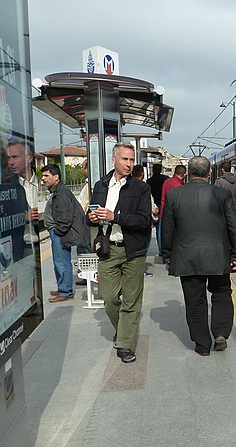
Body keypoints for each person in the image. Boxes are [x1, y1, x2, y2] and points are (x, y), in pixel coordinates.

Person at [160, 156, 236, 356]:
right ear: (210, 173)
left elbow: (168, 229)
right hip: (218, 256)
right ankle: (221, 333)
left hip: (187, 257)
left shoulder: (174, 195)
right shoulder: (222, 195)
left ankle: (202, 345)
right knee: (222, 293)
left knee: (194, 301)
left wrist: (167, 254)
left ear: (188, 173)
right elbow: (234, 226)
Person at [87, 142, 152, 364]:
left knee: (131, 301)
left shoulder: (141, 188)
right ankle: (122, 329)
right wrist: (92, 217)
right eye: (125, 159)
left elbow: (144, 221)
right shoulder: (100, 185)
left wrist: (115, 217)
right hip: (107, 249)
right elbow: (91, 212)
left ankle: (125, 343)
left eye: (132, 160)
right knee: (109, 297)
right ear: (113, 160)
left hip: (133, 250)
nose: (129, 164)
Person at [41, 164, 87, 302]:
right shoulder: (58, 191)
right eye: (42, 176)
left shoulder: (61, 193)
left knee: (62, 262)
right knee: (59, 262)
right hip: (58, 232)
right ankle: (62, 287)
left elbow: (65, 217)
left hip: (60, 233)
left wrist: (57, 231)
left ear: (56, 177)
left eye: (46, 176)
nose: (43, 179)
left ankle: (66, 291)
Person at [4, 139, 40, 246]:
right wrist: (23, 218)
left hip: (41, 243)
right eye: (8, 158)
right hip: (19, 244)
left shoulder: (44, 182)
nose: (11, 162)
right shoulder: (6, 185)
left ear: (29, 158)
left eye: (15, 157)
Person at [131, 164, 156, 278]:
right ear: (142, 174)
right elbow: (149, 205)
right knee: (143, 246)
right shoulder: (144, 187)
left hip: (130, 220)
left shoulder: (126, 185)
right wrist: (154, 212)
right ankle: (140, 269)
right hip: (143, 222)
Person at [147, 163, 169, 251]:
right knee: (162, 227)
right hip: (163, 204)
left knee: (156, 227)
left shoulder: (149, 181)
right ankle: (162, 248)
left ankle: (158, 248)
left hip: (153, 205)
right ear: (160, 170)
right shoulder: (165, 179)